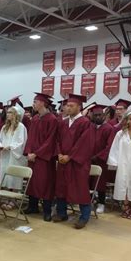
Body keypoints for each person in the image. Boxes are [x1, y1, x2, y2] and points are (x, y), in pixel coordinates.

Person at [54, 94, 95, 229]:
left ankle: (84, 217)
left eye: (72, 106)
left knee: (80, 189)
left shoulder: (85, 123)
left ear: (79, 107)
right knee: (61, 187)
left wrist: (70, 156)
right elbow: (58, 140)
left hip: (77, 164)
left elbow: (84, 144)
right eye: (67, 105)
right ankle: (62, 213)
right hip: (63, 161)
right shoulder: (63, 122)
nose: (68, 108)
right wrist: (59, 153)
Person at [23, 93, 58, 220]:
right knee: (32, 182)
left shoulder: (52, 119)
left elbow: (50, 141)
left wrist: (36, 154)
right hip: (33, 158)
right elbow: (31, 138)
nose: (33, 104)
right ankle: (33, 206)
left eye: (35, 101)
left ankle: (47, 210)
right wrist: (28, 152)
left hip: (44, 159)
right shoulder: (36, 119)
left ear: (42, 103)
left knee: (45, 183)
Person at [0, 106, 28, 209]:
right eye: (8, 112)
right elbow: (0, 139)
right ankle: (6, 198)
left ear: (16, 114)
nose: (8, 114)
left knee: (14, 178)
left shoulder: (21, 127)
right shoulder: (4, 127)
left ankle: (13, 200)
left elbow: (22, 142)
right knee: (5, 176)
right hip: (5, 155)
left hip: (15, 155)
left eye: (11, 112)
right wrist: (1, 146)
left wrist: (11, 147)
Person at [90, 105, 115, 214]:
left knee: (100, 182)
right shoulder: (90, 127)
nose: (98, 117)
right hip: (89, 159)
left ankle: (101, 203)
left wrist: (98, 156)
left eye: (100, 115)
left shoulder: (109, 128)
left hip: (101, 161)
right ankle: (89, 201)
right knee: (88, 181)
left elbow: (109, 146)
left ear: (104, 116)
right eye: (95, 115)